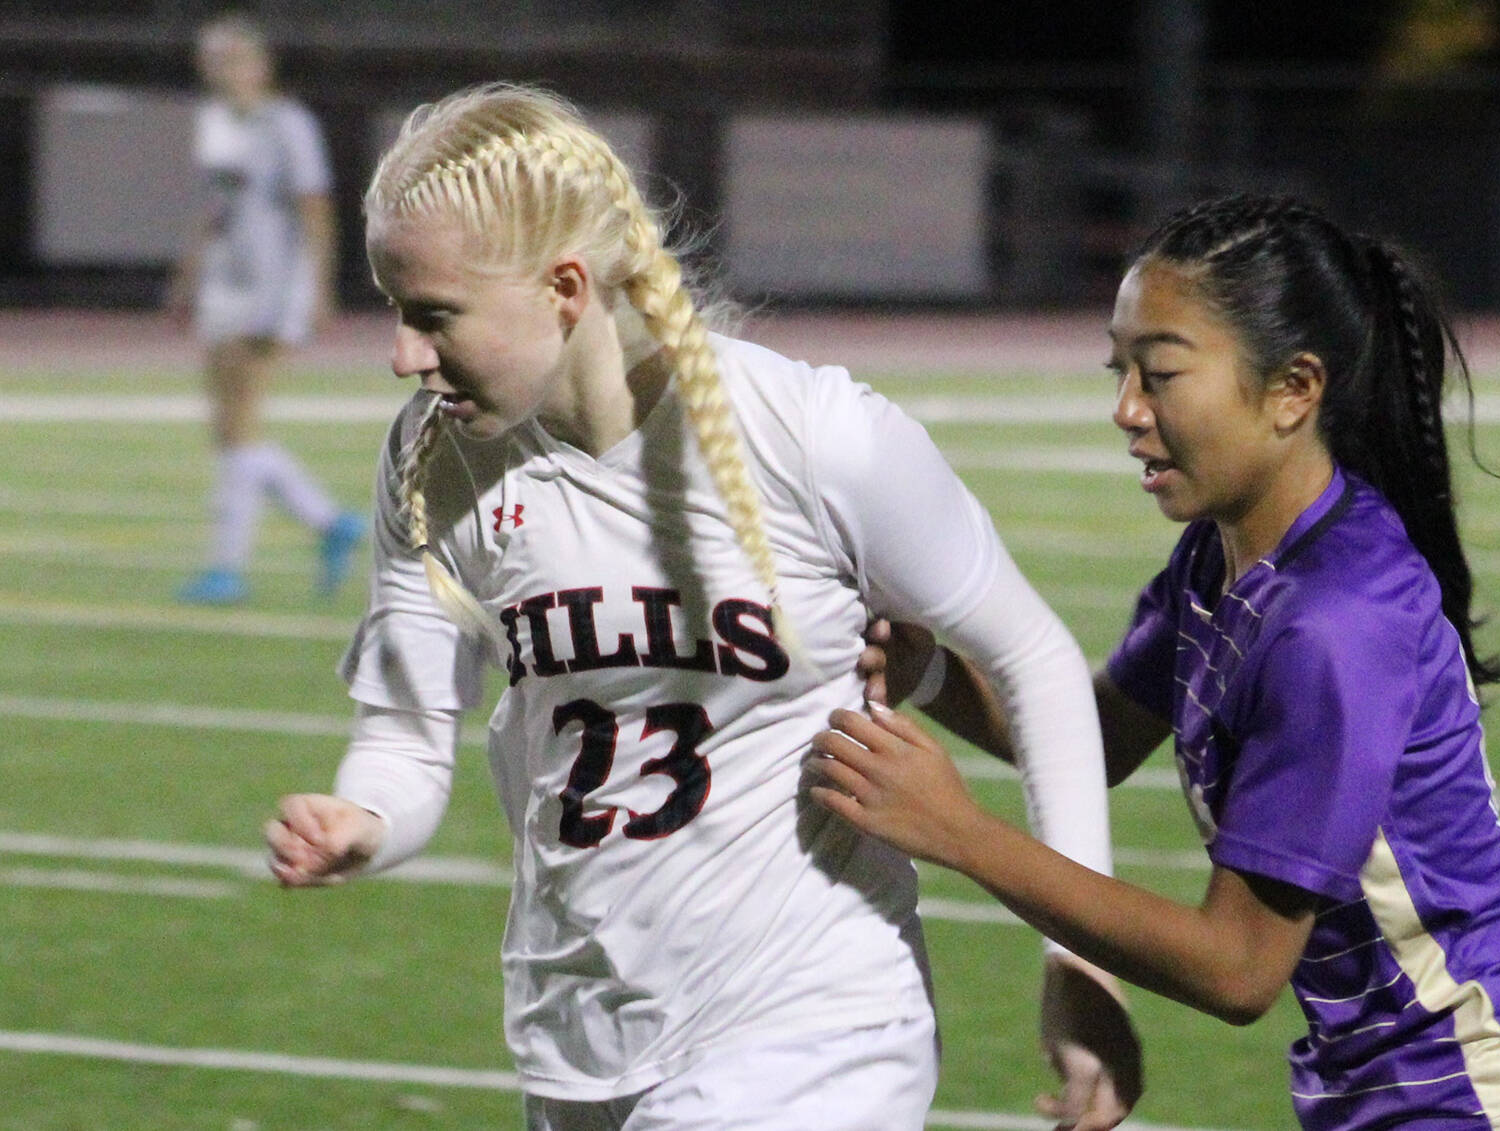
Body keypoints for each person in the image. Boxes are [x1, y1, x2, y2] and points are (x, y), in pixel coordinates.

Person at [262, 83, 1140, 1131]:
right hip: (576, 1030)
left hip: (813, 1022)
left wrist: (1080, 960)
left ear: (566, 287)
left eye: (432, 315)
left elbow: (1034, 658)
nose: (402, 355)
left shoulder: (813, 435)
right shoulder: (432, 456)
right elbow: (407, 740)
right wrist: (363, 821)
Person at [811, 194, 1500, 1130]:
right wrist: (930, 674)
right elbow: (1100, 735)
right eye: (1121, 372)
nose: (1125, 410)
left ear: (1293, 390)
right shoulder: (1223, 557)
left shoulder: (1337, 622)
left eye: (1159, 375)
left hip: (1475, 1102)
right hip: (1381, 1095)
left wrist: (961, 833)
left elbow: (1238, 966)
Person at [166, 13, 365, 605]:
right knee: (228, 428)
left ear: (259, 64)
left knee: (241, 422)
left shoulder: (289, 124)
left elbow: (315, 209)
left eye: (231, 57)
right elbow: (216, 207)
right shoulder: (218, 123)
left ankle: (228, 569)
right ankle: (330, 522)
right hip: (225, 287)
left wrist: (322, 288)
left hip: (273, 287)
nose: (220, 70)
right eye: (212, 59)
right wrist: (188, 276)